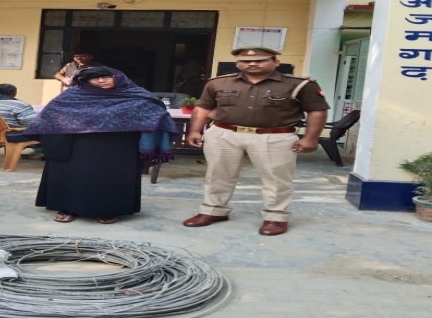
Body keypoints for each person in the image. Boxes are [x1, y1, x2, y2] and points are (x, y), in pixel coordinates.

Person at [182, 47, 329, 236]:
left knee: (276, 179)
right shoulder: (218, 83)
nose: (252, 63)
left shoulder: (299, 85)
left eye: (260, 60)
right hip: (224, 134)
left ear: (275, 62)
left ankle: (275, 218)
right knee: (218, 174)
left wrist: (311, 138)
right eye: (245, 61)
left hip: (274, 136)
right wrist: (195, 130)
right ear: (238, 64)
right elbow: (203, 108)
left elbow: (317, 110)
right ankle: (213, 211)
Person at [26, 66, 178, 224]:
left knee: (113, 176)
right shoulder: (72, 96)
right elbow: (51, 115)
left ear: (118, 77)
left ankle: (109, 209)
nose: (101, 81)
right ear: (85, 81)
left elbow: (156, 112)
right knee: (73, 175)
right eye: (94, 78)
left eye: (106, 77)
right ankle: (67, 207)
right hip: (78, 145)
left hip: (120, 146)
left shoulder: (136, 95)